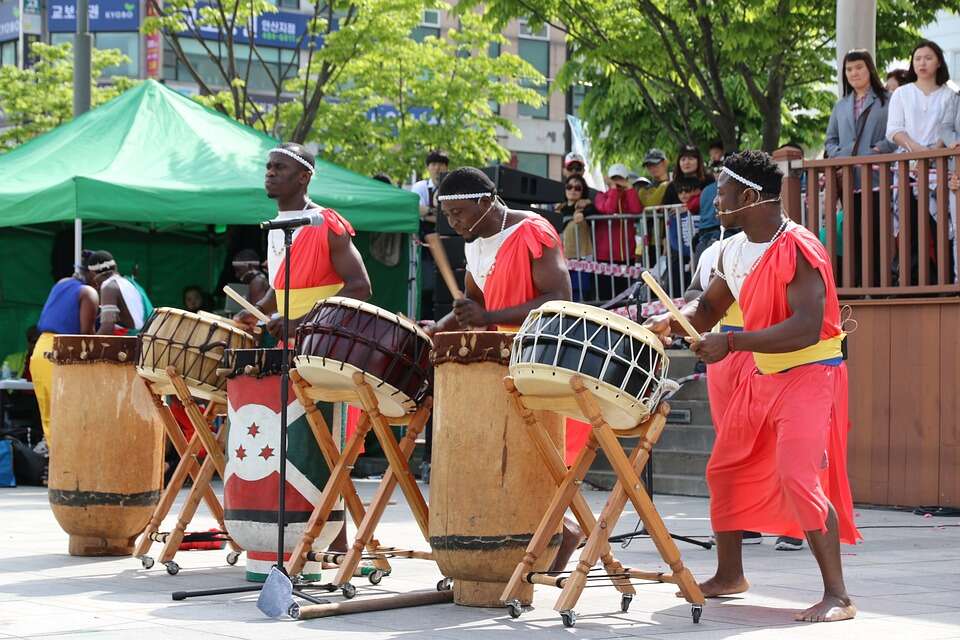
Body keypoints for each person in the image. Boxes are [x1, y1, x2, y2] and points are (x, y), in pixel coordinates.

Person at [645, 151, 859, 623]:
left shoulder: (800, 246)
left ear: (747, 196)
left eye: (719, 194)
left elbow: (807, 327)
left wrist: (734, 343)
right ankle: (730, 575)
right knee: (726, 469)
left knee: (798, 475)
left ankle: (838, 596)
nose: (712, 202)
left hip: (810, 372)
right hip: (766, 373)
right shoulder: (734, 249)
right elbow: (707, 312)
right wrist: (672, 322)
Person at [424, 167, 580, 572]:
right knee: (506, 457)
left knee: (532, 454)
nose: (453, 223)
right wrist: (435, 329)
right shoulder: (475, 243)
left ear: (483, 202)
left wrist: (488, 314)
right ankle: (553, 531)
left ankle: (559, 531)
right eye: (448, 216)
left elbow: (558, 297)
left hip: (539, 355)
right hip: (498, 361)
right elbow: (472, 307)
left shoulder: (531, 231)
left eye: (458, 214)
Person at [237, 143, 371, 339]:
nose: (270, 173)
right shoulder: (274, 225)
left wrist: (302, 322)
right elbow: (281, 288)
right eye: (269, 167)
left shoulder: (326, 223)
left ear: (304, 177)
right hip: (290, 347)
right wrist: (258, 309)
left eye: (280, 167)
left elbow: (360, 287)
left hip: (327, 346)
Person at [825, 49, 897, 287]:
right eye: (849, 69)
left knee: (876, 232)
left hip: (877, 180)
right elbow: (830, 141)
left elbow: (895, 133)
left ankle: (878, 282)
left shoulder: (887, 100)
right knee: (852, 233)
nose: (853, 73)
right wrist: (844, 155)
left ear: (870, 70)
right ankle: (856, 283)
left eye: (859, 68)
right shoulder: (841, 105)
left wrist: (877, 150)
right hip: (849, 181)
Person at [886, 40, 954, 284]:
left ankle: (946, 278)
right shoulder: (902, 93)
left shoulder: (950, 94)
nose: (922, 63)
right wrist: (917, 150)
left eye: (928, 58)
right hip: (907, 169)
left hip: (941, 169)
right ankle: (911, 279)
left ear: (938, 62)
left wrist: (932, 152)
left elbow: (950, 131)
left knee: (943, 226)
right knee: (910, 225)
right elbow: (894, 130)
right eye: (918, 58)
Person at [29, 264, 99, 446]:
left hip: (40, 349)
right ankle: (67, 467)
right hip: (61, 351)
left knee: (49, 416)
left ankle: (56, 464)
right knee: (67, 415)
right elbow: (86, 335)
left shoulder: (62, 283)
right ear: (94, 275)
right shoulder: (89, 293)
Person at [594, 163, 643, 300]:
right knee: (606, 296)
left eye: (620, 178)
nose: (618, 182)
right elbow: (609, 209)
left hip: (627, 256)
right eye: (614, 178)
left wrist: (629, 189)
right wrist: (614, 190)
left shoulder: (630, 195)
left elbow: (636, 210)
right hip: (605, 257)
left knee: (625, 296)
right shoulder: (601, 196)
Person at [81, 251, 153, 335]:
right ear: (115, 267)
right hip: (151, 337)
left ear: (92, 273)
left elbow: (107, 329)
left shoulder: (108, 287)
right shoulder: (130, 282)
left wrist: (90, 346)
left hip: (139, 342)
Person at [558, 174, 597, 301]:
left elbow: (596, 211)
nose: (573, 190)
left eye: (577, 188)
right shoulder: (559, 208)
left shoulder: (586, 206)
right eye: (569, 187)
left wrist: (584, 212)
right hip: (562, 260)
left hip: (582, 260)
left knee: (580, 296)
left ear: (583, 191)